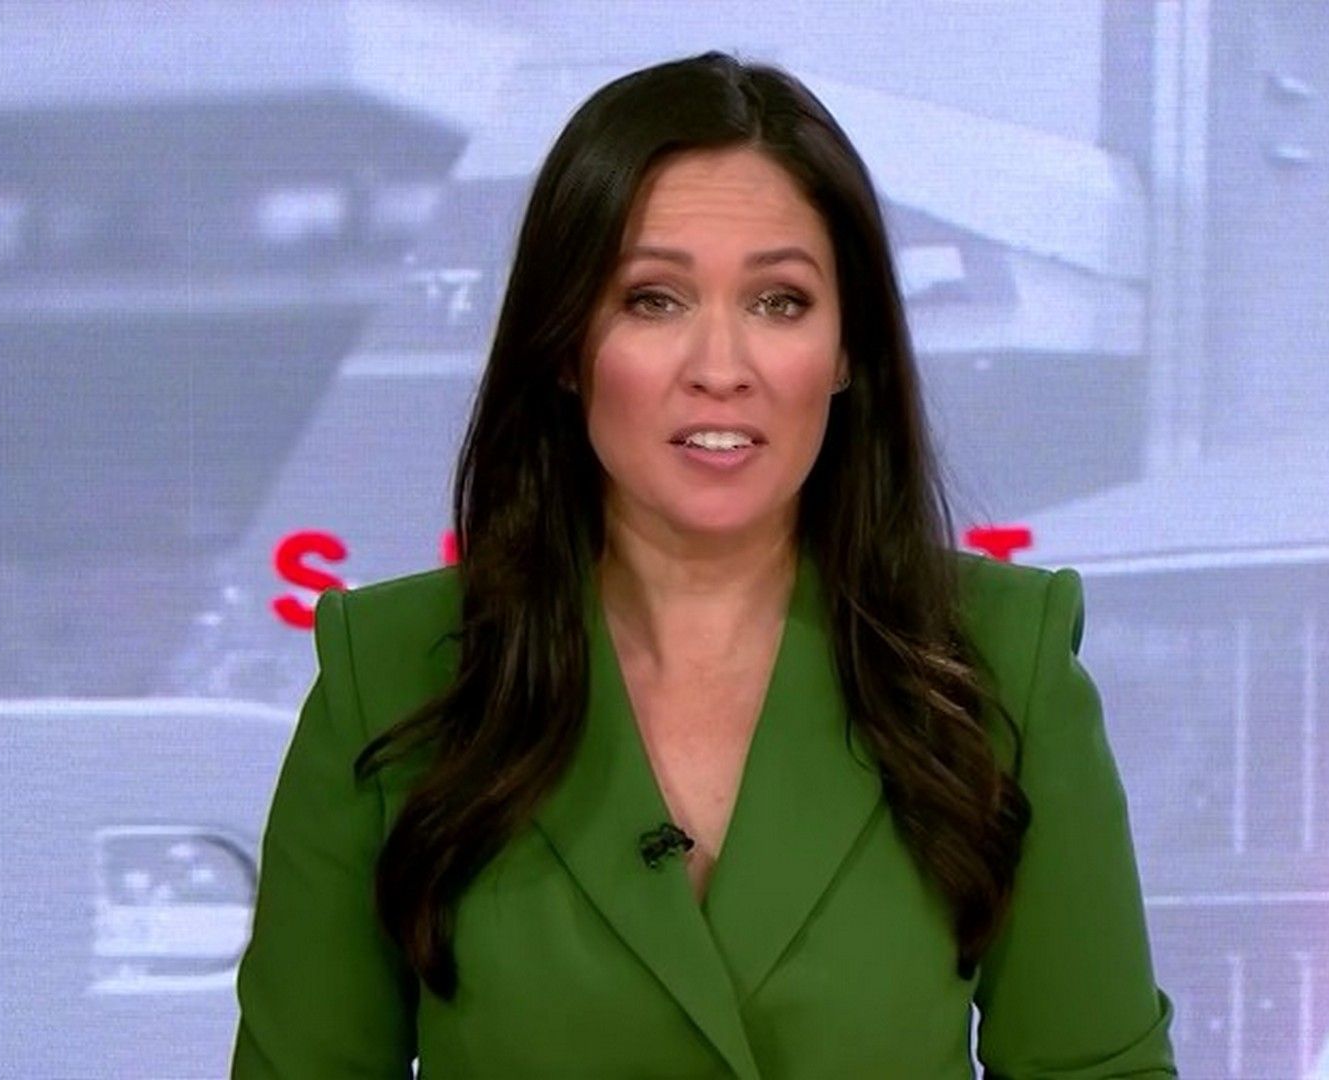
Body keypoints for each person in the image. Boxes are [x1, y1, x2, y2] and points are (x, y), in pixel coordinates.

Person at [231, 50, 1178, 1079]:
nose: (720, 369)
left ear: (847, 349)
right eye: (653, 300)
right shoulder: (389, 674)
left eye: (779, 302)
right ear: (565, 344)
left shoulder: (997, 662)